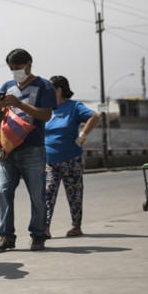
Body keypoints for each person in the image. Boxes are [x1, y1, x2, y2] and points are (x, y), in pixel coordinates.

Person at [0, 48, 57, 252]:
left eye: (17, 67)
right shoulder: (7, 86)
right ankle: (6, 236)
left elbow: (45, 115)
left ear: (29, 64)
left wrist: (19, 104)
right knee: (3, 191)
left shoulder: (44, 86)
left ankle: (38, 235)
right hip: (8, 149)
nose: (14, 72)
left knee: (37, 195)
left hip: (32, 148)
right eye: (11, 68)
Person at [43, 76, 99, 236]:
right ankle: (45, 228)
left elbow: (94, 116)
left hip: (72, 160)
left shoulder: (74, 107)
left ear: (58, 90)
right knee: (47, 194)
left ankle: (76, 226)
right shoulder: (47, 109)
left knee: (74, 194)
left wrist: (82, 135)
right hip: (50, 161)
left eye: (49, 89)